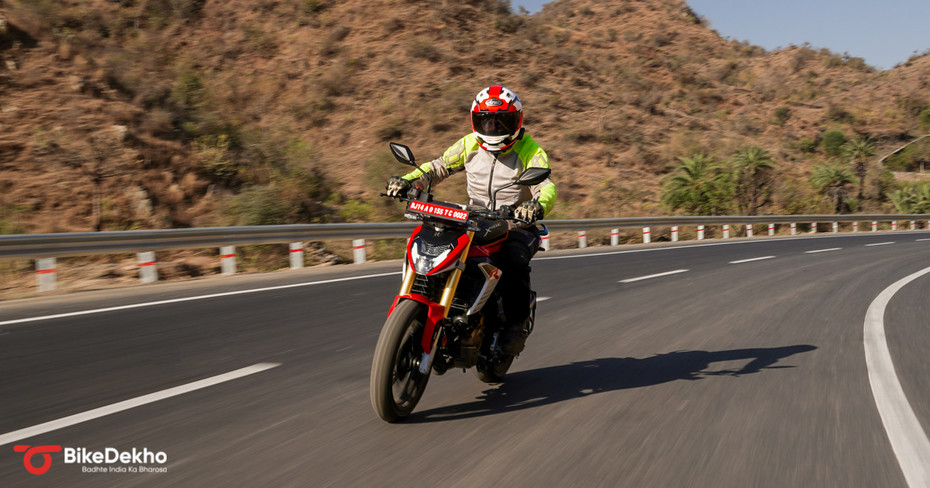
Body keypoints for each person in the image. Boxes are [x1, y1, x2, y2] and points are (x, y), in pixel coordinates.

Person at [385, 85, 557, 355]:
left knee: (513, 259)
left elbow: (545, 186)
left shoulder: (530, 150)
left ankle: (516, 324)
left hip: (515, 223)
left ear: (516, 121)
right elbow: (438, 167)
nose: (493, 127)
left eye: (501, 121)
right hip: (475, 219)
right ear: (475, 120)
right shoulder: (469, 144)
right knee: (436, 240)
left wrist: (535, 206)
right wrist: (406, 181)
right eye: (486, 120)